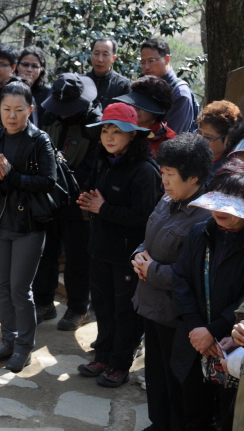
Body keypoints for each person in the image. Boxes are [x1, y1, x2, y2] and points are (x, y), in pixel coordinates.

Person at [0, 78, 56, 373]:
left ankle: (24, 347)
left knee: (20, 289)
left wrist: (13, 176)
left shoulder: (39, 140)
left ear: (30, 109)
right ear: (0, 109)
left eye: (19, 109)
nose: (12, 115)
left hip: (28, 225)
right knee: (3, 288)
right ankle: (8, 342)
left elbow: (48, 181)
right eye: (7, 109)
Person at [130, 133, 213, 430]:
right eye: (162, 172)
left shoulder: (205, 217)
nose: (163, 180)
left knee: (179, 381)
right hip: (151, 305)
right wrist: (138, 255)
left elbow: (196, 274)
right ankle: (159, 423)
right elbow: (150, 236)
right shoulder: (168, 199)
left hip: (178, 316)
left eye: (170, 174)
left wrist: (152, 271)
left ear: (193, 177)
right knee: (156, 375)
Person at [76, 102, 160, 387]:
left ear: (133, 135)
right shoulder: (102, 160)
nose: (109, 137)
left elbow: (144, 217)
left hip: (127, 256)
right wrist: (87, 200)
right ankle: (102, 356)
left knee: (125, 311)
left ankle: (120, 364)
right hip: (99, 249)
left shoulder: (145, 170)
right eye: (105, 130)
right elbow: (92, 194)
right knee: (102, 306)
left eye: (117, 131)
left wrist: (103, 208)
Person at [172, 159, 244, 430]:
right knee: (193, 415)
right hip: (193, 341)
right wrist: (197, 329)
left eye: (230, 205)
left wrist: (213, 331)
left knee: (228, 418)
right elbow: (181, 279)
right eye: (217, 202)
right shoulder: (199, 231)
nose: (219, 211)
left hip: (232, 345)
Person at [33, 73, 101, 330]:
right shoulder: (50, 115)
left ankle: (78, 308)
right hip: (48, 197)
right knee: (46, 253)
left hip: (79, 200)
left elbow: (93, 167)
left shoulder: (95, 124)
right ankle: (44, 302)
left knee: (76, 257)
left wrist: (68, 186)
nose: (62, 113)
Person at [140, 38, 197, 134]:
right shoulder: (145, 88)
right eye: (143, 62)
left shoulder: (179, 93)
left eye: (151, 61)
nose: (146, 67)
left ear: (167, 59)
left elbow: (171, 136)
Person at [114, 75, 176, 156]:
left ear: (157, 110)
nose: (135, 108)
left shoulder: (169, 142)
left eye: (143, 105)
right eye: (133, 102)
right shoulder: (117, 129)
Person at [196, 100, 242, 181]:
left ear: (228, 139)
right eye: (199, 133)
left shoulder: (227, 175)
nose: (201, 140)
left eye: (208, 138)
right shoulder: (192, 157)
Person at [86, 37, 130, 110]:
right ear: (91, 55)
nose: (100, 59)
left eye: (105, 54)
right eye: (96, 54)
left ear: (113, 58)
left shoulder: (123, 85)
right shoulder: (81, 82)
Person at [15, 46, 51, 127]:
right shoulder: (8, 90)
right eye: (25, 65)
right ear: (17, 66)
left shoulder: (48, 93)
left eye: (34, 66)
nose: (29, 69)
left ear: (41, 69)